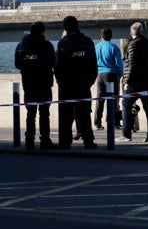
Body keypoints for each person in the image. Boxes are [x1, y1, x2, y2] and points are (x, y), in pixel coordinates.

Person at [55, 15, 98, 149]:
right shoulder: (88, 42)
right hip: (83, 84)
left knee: (65, 116)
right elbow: (93, 66)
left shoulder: (62, 43)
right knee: (84, 114)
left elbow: (57, 67)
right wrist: (89, 82)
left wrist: (61, 83)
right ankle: (88, 141)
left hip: (66, 86)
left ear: (65, 28)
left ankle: (65, 142)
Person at [14, 21, 56, 150]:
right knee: (44, 113)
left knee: (30, 114)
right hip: (44, 84)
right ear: (42, 32)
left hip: (29, 84)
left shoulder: (20, 45)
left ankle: (29, 141)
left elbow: (17, 64)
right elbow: (54, 62)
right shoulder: (47, 45)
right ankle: (45, 140)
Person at [122, 22, 148, 142]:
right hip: (147, 81)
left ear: (131, 32)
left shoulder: (133, 45)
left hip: (135, 82)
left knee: (126, 104)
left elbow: (131, 65)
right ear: (142, 32)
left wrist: (127, 81)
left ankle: (126, 134)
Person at [92, 27, 124, 131]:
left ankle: (97, 123)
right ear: (111, 37)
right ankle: (114, 122)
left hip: (100, 75)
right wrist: (120, 74)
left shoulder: (96, 47)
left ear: (101, 36)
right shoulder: (114, 47)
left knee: (100, 99)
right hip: (111, 74)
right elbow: (119, 63)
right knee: (114, 99)